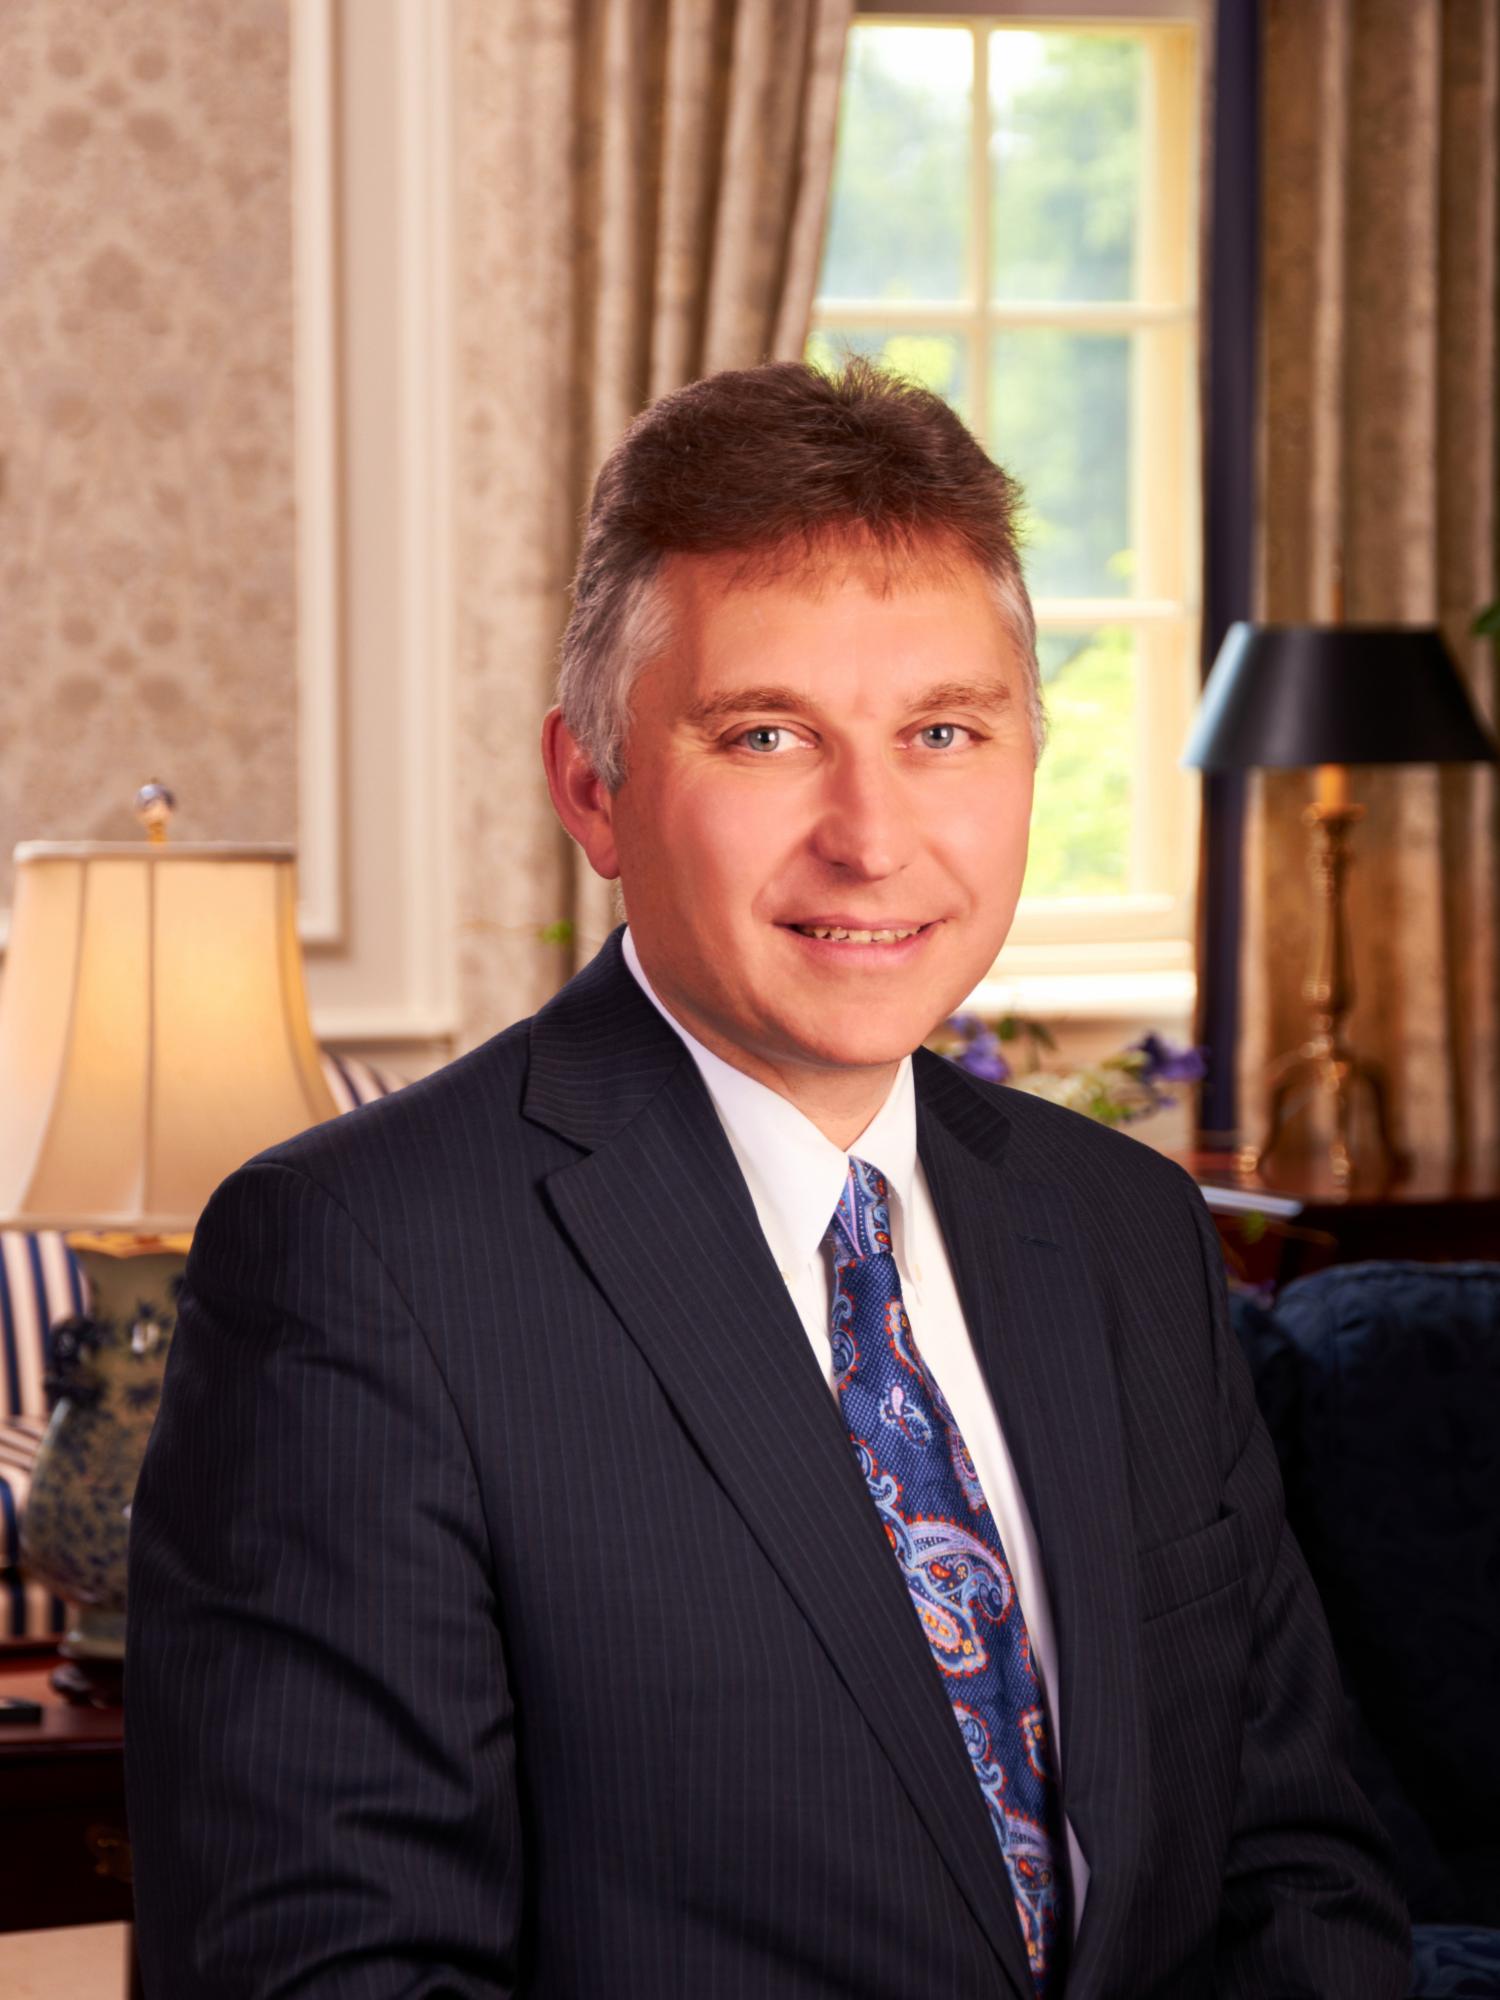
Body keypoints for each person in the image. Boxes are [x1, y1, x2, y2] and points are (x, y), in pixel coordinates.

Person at [125, 360, 1410, 1999]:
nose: (872, 837)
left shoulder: (1126, 1226)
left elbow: (1292, 1862)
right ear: (592, 785)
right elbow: (329, 1976)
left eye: (943, 731)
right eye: (766, 736)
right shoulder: (360, 1263)